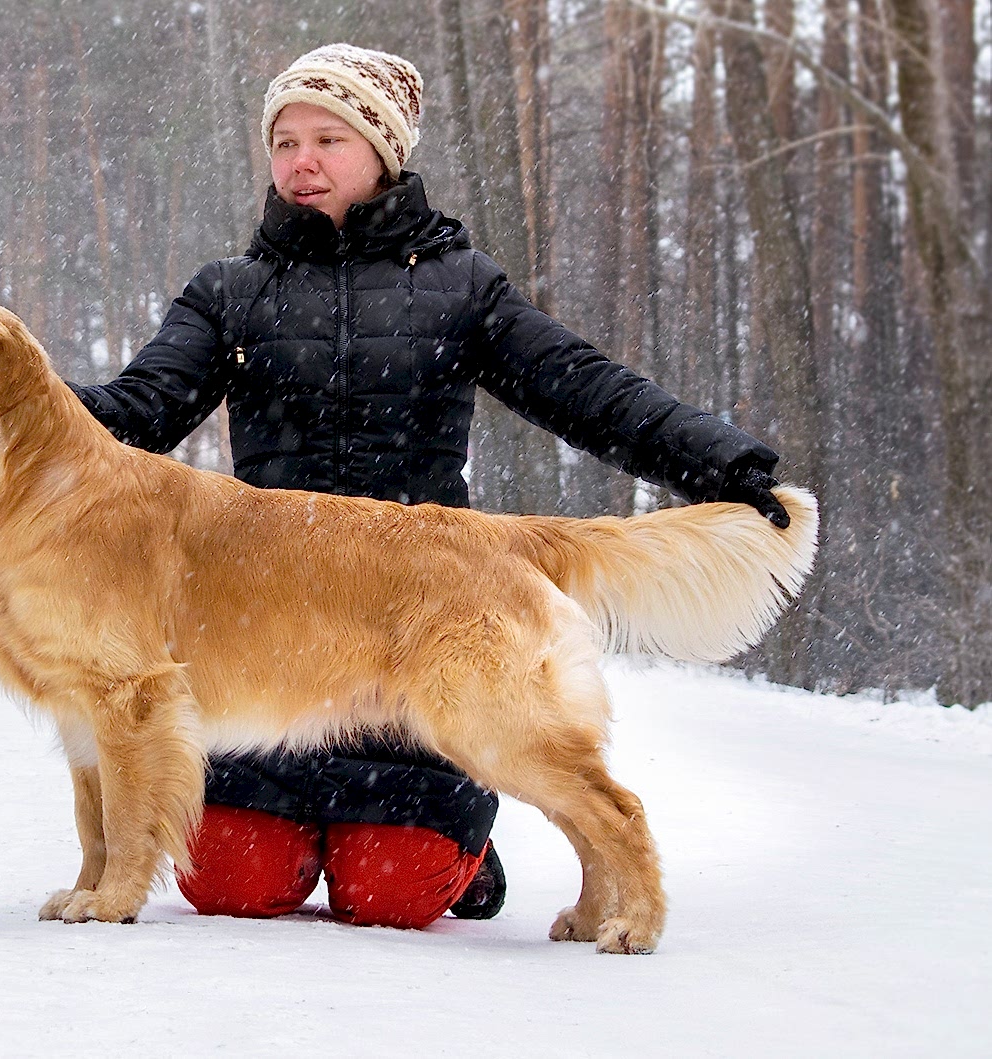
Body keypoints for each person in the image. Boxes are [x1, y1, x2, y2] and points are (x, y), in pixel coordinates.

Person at [68, 44, 788, 929]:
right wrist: (17, 390)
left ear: (384, 150)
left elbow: (585, 387)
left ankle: (465, 846)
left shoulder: (462, 288)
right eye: (285, 140)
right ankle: (341, 824)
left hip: (418, 614)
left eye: (329, 138)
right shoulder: (230, 293)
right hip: (268, 632)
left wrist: (719, 461)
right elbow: (133, 413)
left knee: (390, 893)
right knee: (231, 885)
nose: (302, 161)